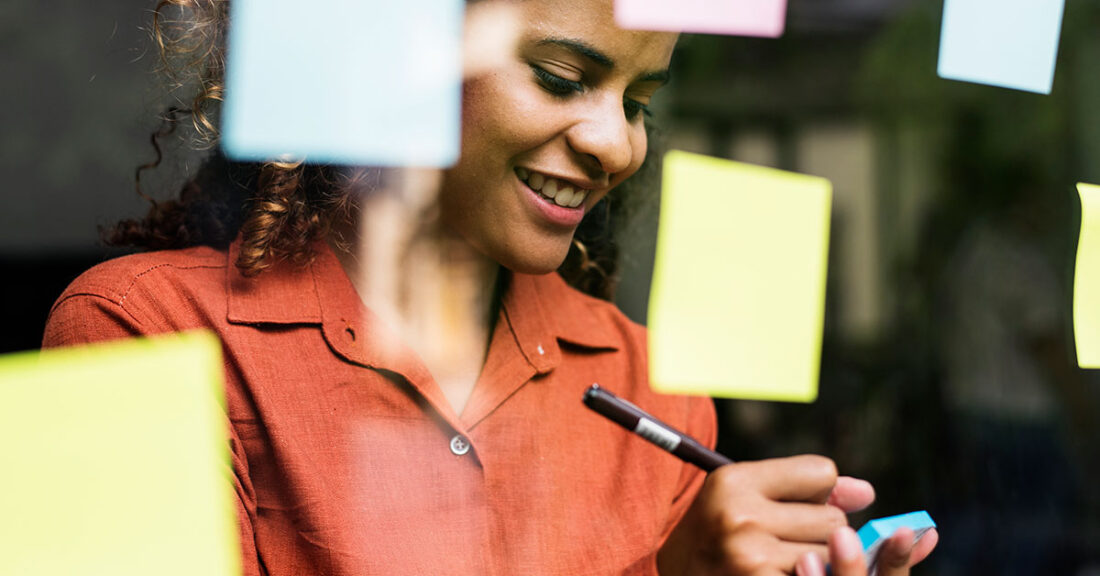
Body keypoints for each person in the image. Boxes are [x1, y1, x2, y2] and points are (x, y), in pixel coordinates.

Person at [42, 0, 936, 574]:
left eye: (639, 102)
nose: (617, 144)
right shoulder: (132, 335)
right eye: (562, 78)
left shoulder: (648, 382)